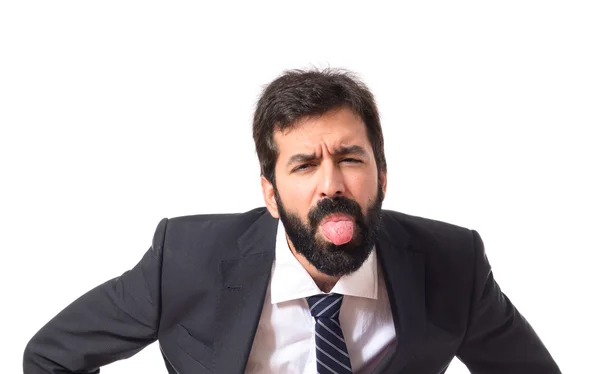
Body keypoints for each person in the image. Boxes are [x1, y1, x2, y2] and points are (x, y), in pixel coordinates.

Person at [23, 68, 561, 374]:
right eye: (304, 165)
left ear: (383, 176)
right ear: (271, 194)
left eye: (351, 158)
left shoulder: (453, 263)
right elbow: (50, 357)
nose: (331, 184)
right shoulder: (185, 259)